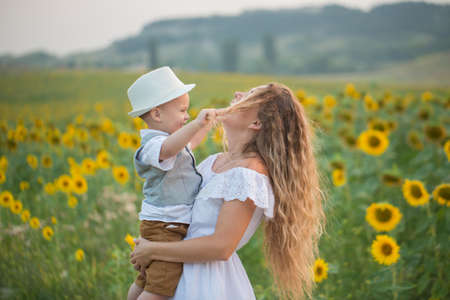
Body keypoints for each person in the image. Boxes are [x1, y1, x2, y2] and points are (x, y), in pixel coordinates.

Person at [130, 83, 327, 300]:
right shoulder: (215, 161)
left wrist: (153, 250)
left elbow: (221, 247)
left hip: (207, 284)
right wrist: (152, 243)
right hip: (176, 272)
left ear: (256, 122)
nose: (237, 94)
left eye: (249, 96)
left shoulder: (248, 174)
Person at [126, 66, 217, 300]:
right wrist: (195, 124)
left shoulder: (169, 140)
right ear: (157, 115)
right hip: (165, 226)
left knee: (148, 279)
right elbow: (169, 150)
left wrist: (205, 126)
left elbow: (189, 143)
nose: (187, 116)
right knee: (160, 289)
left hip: (165, 225)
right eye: (182, 110)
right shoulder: (152, 146)